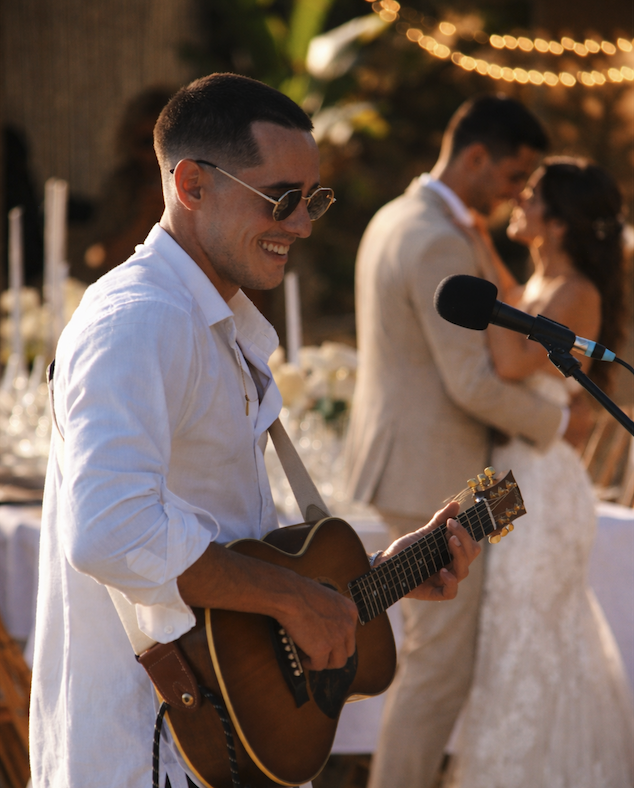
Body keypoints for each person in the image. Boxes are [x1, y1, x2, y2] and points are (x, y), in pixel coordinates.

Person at [29, 73, 481, 788]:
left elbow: (225, 536)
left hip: (216, 743)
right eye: (280, 198)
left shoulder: (214, 322)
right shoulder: (139, 319)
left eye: (314, 200)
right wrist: (295, 599)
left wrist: (351, 583)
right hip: (141, 751)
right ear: (191, 184)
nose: (301, 225)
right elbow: (110, 530)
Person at [345, 95, 570, 788]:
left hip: (409, 462)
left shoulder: (398, 215)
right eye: (512, 175)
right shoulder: (437, 237)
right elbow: (470, 383)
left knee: (430, 662)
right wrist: (559, 422)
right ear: (475, 156)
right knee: (436, 670)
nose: (513, 194)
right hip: (429, 474)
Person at [448, 158, 633, 788]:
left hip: (545, 489)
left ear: (557, 222)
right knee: (510, 631)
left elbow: (506, 357)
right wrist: (482, 248)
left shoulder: (577, 290)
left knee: (533, 630)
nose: (516, 202)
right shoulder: (542, 282)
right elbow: (517, 307)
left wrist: (477, 250)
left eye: (530, 196)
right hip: (512, 481)